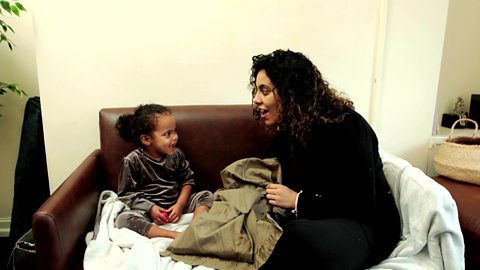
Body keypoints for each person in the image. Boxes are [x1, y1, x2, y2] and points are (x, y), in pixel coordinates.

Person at [249, 49, 400, 269]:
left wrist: (298, 201)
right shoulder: (288, 134)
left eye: (264, 90)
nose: (256, 100)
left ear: (291, 92)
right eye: (255, 90)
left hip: (366, 228)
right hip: (320, 222)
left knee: (297, 235)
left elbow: (362, 202)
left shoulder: (347, 126)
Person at [114, 104, 214, 239]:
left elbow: (187, 180)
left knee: (207, 196)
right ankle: (173, 235)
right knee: (123, 219)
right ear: (146, 139)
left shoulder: (176, 155)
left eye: (175, 131)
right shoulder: (132, 161)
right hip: (149, 212)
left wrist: (179, 205)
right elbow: (126, 195)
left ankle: (195, 231)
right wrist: (151, 208)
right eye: (168, 134)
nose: (175, 137)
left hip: (176, 204)